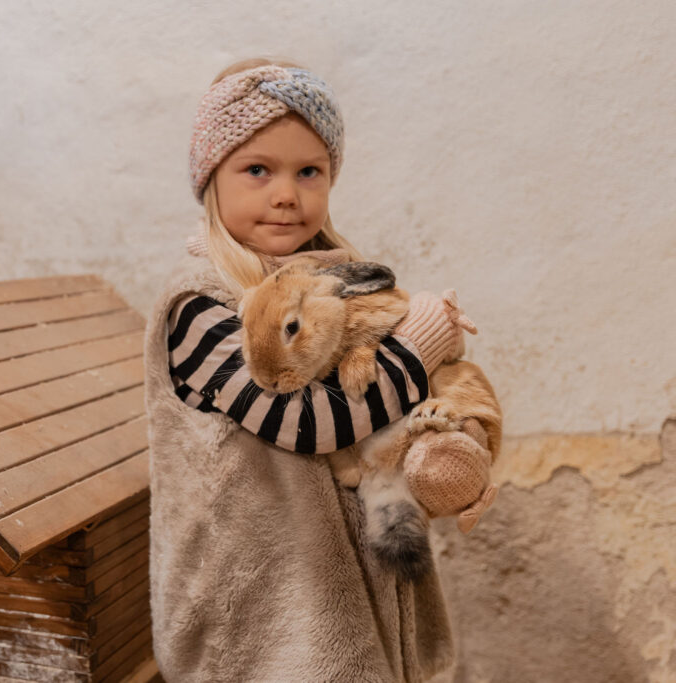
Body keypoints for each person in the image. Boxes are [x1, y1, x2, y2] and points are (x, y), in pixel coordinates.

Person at [144, 58, 495, 682]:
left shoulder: (331, 283)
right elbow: (310, 424)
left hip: (342, 593)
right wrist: (420, 344)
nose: (286, 193)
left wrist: (446, 439)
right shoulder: (200, 305)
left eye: (309, 171)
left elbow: (387, 410)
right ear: (211, 179)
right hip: (260, 607)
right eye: (257, 169)